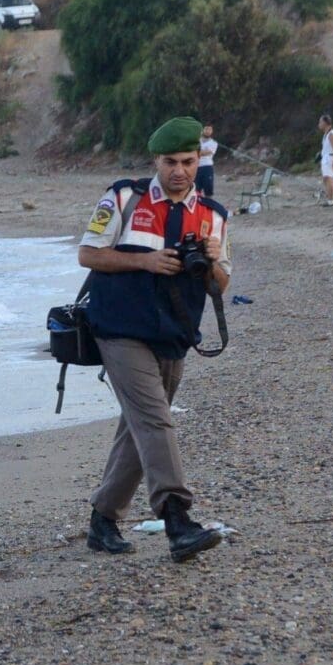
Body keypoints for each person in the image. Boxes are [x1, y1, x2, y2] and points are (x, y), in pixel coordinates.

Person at [76, 116, 231, 563]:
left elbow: (219, 286)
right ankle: (177, 517)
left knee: (140, 427)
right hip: (119, 328)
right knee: (156, 420)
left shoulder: (214, 216)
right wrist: (144, 262)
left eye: (187, 161)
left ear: (199, 159)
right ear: (155, 161)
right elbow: (88, 254)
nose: (179, 170)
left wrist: (215, 262)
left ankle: (103, 519)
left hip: (174, 335)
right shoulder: (125, 196)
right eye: (169, 162)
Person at [318, 114, 333, 206]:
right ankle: (331, 197)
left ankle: (331, 200)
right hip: (326, 158)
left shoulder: (331, 134)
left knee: (329, 178)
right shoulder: (326, 134)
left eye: (320, 122)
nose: (319, 124)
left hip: (330, 158)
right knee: (326, 178)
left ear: (325, 123)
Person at [195, 123, 218, 197]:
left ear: (212, 131)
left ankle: (209, 207)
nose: (208, 131)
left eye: (210, 129)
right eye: (206, 129)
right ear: (202, 130)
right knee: (195, 190)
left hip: (207, 167)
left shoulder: (214, 143)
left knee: (208, 190)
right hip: (196, 167)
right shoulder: (196, 141)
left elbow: (204, 153)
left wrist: (198, 151)